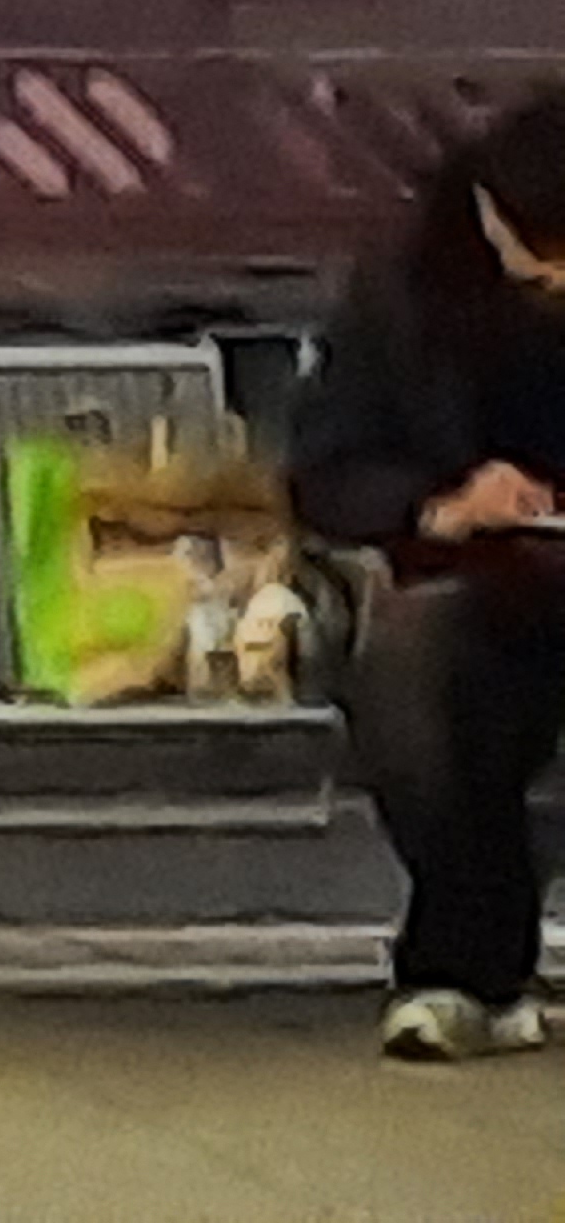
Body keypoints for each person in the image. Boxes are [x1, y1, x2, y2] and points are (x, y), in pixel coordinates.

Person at [291, 94, 565, 1061]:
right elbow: (326, 474)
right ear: (495, 215)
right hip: (482, 583)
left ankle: (466, 973)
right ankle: (465, 967)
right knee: (409, 670)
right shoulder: (406, 293)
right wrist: (443, 506)